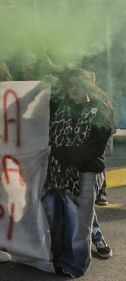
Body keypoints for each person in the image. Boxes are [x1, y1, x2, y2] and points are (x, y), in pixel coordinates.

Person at [42, 68, 113, 277]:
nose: (73, 89)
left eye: (77, 85)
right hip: (59, 174)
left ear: (87, 86)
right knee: (59, 221)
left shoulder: (100, 111)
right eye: (69, 85)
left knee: (79, 224)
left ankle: (73, 265)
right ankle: (59, 257)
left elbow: (91, 150)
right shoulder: (60, 108)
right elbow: (29, 104)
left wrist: (57, 151)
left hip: (85, 174)